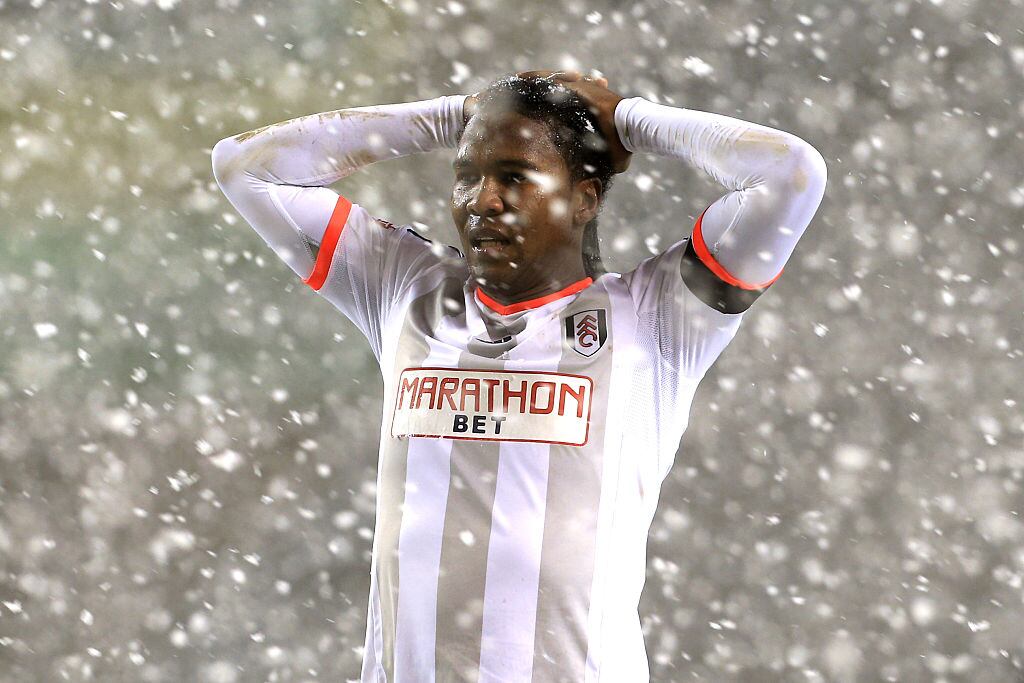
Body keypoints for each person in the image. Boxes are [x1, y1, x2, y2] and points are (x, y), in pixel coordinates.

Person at [211, 69, 826, 682]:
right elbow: (244, 166)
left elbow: (792, 173)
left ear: (585, 197)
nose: (483, 200)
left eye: (514, 176)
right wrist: (457, 115)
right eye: (468, 177)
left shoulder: (657, 315)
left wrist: (628, 120)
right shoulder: (406, 291)